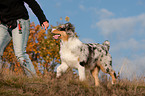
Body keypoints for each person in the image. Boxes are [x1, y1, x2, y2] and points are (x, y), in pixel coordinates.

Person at [0, 0, 49, 77]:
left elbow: (32, 3)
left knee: (20, 54)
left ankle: (34, 80)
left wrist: (43, 19)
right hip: (4, 24)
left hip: (19, 21)